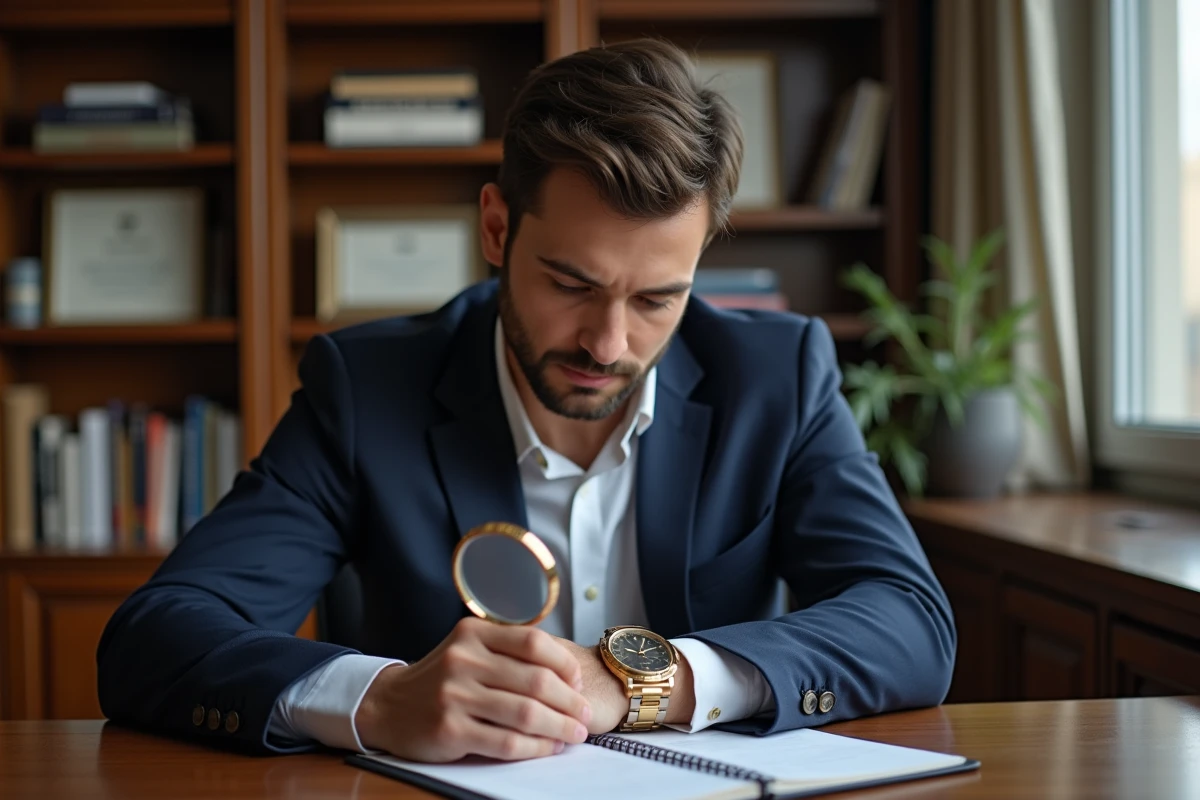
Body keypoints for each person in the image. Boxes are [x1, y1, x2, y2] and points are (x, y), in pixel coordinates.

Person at [96, 37, 955, 763]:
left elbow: (910, 620)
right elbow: (155, 637)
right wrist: (379, 699)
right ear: (498, 229)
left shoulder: (777, 374)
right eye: (571, 283)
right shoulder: (367, 391)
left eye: (658, 299)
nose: (608, 344)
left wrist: (643, 680)